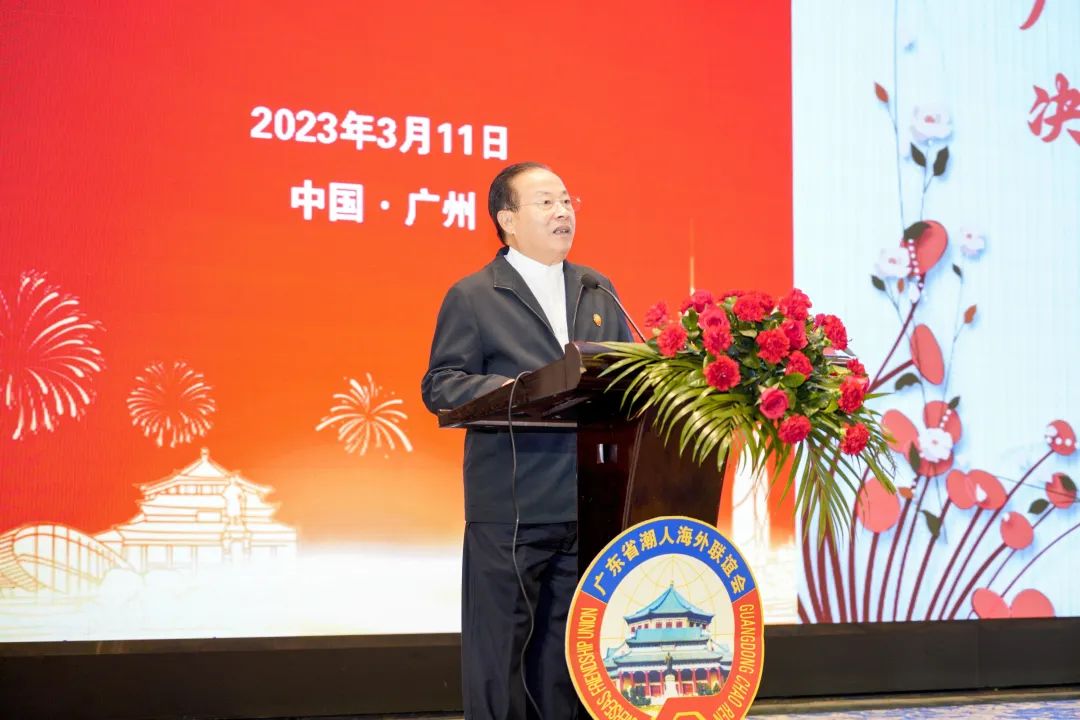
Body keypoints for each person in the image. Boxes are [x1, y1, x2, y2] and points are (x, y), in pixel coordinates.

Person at [421, 162, 632, 719]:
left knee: (567, 662)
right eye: (546, 202)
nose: (563, 212)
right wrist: (518, 390)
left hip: (587, 504)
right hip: (510, 504)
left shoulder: (596, 288)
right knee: (500, 658)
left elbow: (624, 379)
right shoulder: (474, 295)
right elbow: (441, 385)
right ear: (507, 220)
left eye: (567, 201)